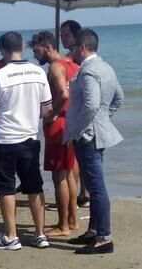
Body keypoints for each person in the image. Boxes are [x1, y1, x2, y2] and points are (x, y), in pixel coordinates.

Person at [0, 32, 53, 250]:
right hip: (30, 138)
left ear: (2, 51)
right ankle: (40, 234)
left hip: (4, 139)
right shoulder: (39, 71)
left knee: (6, 188)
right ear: (22, 47)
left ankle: (12, 236)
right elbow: (47, 109)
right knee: (34, 186)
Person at [65, 29, 124, 254]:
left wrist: (77, 131)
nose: (71, 52)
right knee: (91, 183)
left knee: (96, 187)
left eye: (73, 48)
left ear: (82, 47)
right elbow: (118, 98)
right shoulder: (106, 67)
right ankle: (93, 231)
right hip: (96, 132)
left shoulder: (89, 71)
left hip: (88, 136)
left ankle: (104, 237)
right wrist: (104, 120)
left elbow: (91, 105)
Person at [29, 31, 79, 236]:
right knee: (67, 174)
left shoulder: (56, 67)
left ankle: (63, 225)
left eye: (36, 51)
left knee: (59, 176)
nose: (35, 55)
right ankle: (73, 220)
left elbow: (64, 93)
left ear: (48, 47)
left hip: (58, 125)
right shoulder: (72, 64)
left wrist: (51, 113)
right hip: (71, 123)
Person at [60, 20, 90, 208]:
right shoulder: (76, 56)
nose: (63, 38)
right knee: (82, 154)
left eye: (66, 35)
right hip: (80, 108)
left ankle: (80, 193)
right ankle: (83, 192)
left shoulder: (74, 57)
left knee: (78, 154)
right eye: (61, 35)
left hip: (77, 109)